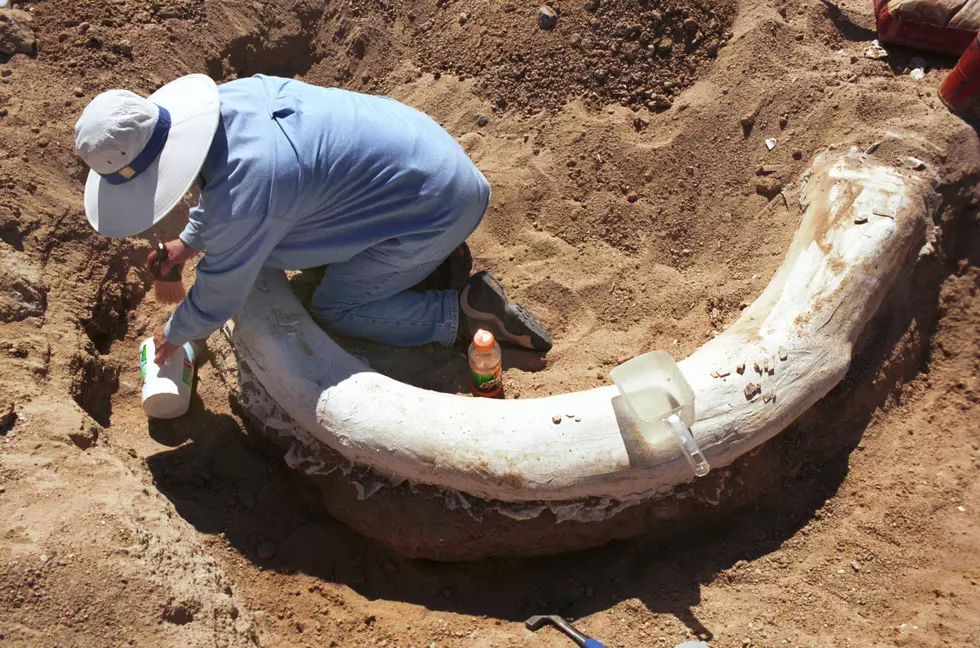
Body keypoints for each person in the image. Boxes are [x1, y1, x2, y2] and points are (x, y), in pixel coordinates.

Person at [72, 74, 552, 364]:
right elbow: (229, 199)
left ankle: (461, 313)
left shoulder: (249, 192)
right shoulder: (235, 98)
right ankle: (427, 259)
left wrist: (172, 335)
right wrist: (188, 243)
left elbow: (220, 292)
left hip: (437, 206)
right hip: (427, 156)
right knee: (283, 234)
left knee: (335, 310)